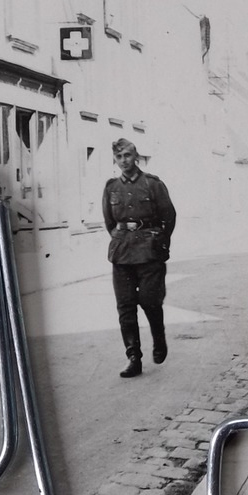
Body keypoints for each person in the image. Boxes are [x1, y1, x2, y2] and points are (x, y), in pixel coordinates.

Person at [102, 138, 176, 378]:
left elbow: (169, 216)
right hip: (122, 253)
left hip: (149, 251)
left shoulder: (152, 184)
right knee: (125, 306)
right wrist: (121, 238)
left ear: (136, 157)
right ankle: (134, 357)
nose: (124, 161)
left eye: (127, 156)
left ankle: (159, 337)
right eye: (119, 157)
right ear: (115, 159)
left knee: (149, 300)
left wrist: (160, 245)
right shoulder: (111, 187)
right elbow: (110, 222)